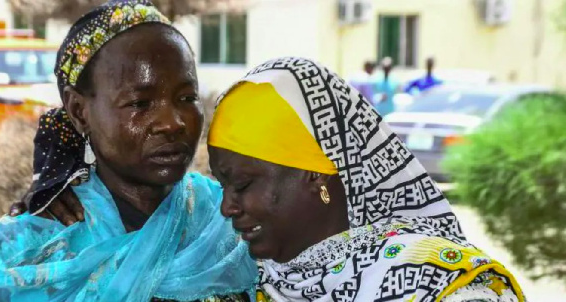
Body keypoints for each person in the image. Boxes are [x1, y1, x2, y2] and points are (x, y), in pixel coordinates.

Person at [0, 1, 256, 301]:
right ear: (79, 110)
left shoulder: (236, 222)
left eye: (187, 97)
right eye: (139, 104)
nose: (173, 123)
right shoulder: (17, 256)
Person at [207, 57, 524, 301]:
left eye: (243, 185)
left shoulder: (439, 287)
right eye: (223, 186)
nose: (227, 208)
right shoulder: (242, 281)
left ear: (315, 174)